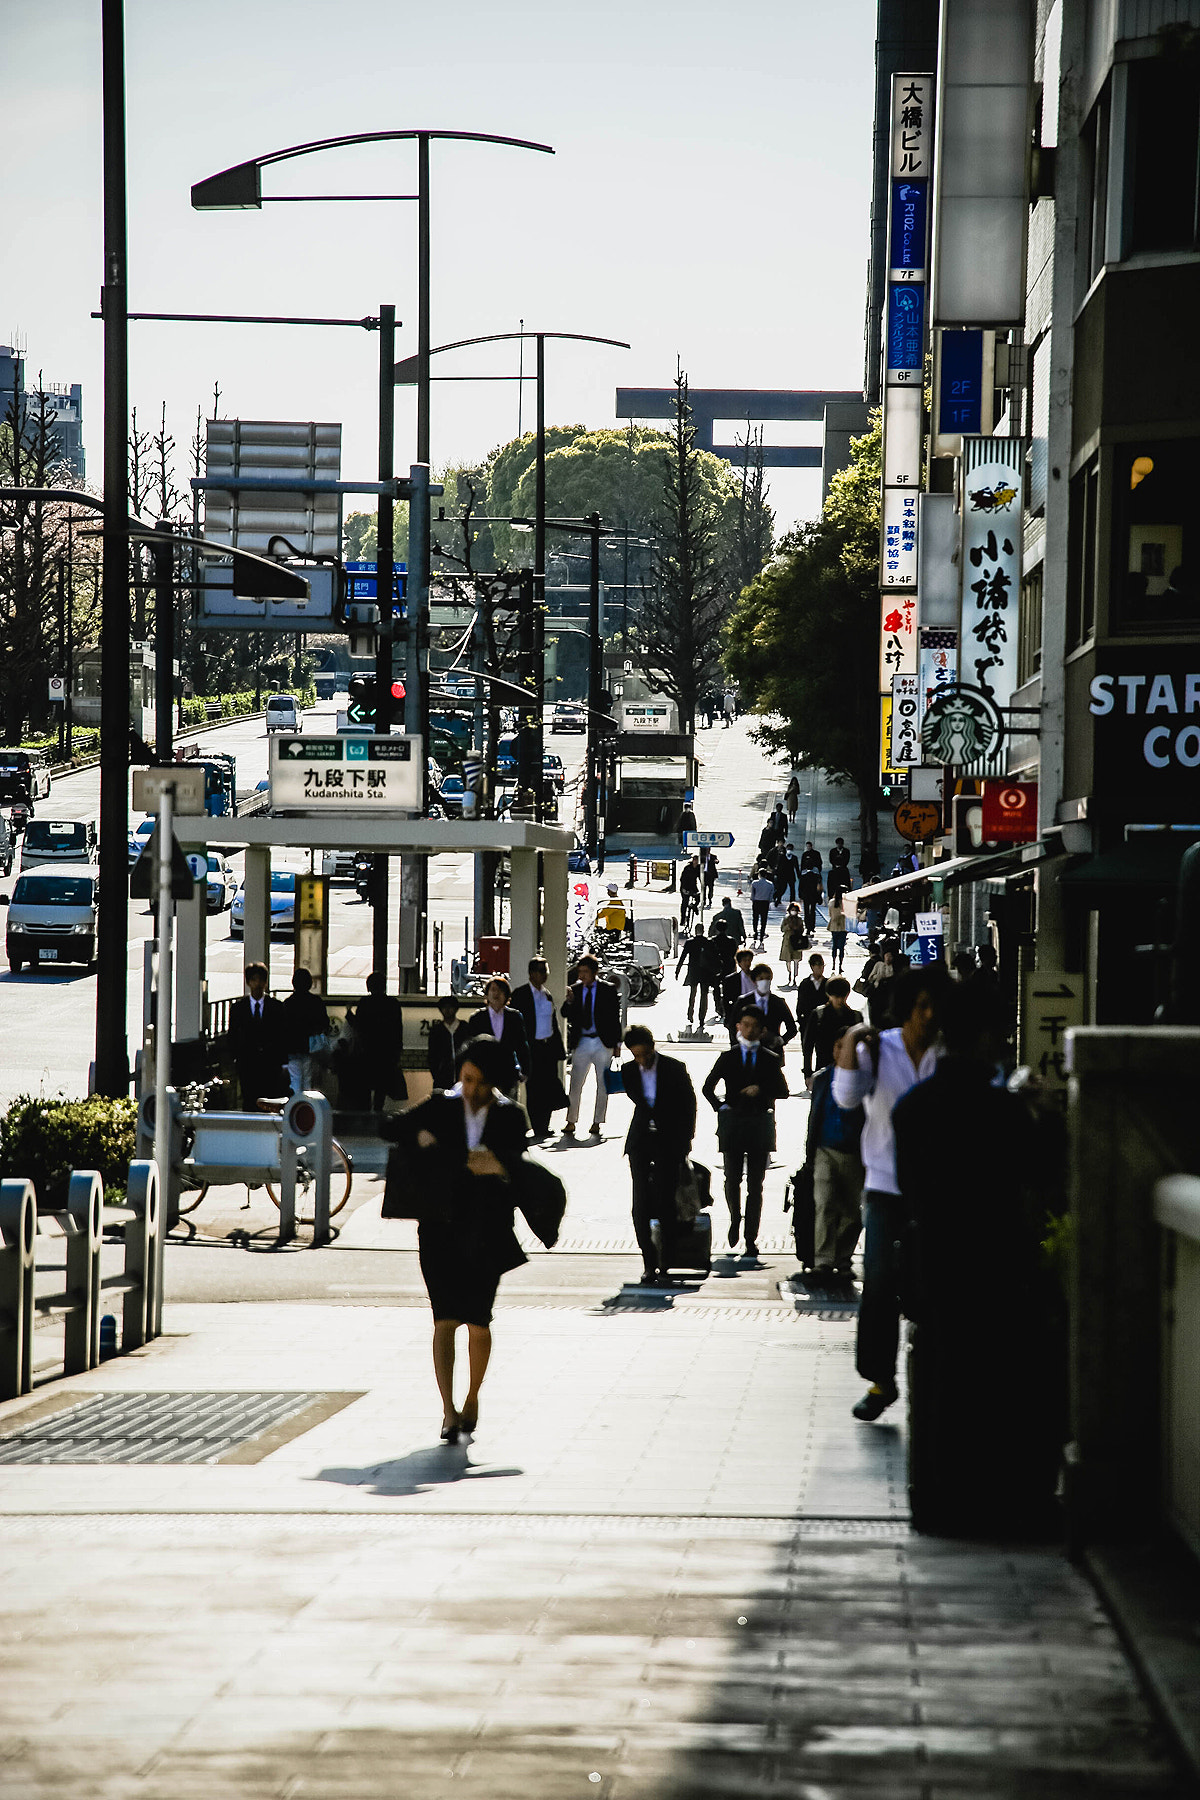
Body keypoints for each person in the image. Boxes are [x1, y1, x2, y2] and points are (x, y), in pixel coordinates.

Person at [892, 983, 1059, 1531]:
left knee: (939, 1378)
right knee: (992, 1381)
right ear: (984, 1039)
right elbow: (1044, 1176)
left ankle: (936, 1499)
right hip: (995, 1264)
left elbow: (909, 1189)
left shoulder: (913, 1109)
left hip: (934, 1260)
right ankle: (992, 1496)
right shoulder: (1002, 1112)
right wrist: (1041, 1114)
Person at [388, 1035, 531, 1444]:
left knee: (479, 1320)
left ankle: (472, 1397)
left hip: (488, 1231)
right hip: (440, 1228)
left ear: (496, 1083)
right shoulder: (441, 1107)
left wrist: (478, 1160)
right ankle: (448, 1409)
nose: (471, 1090)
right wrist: (421, 1139)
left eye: (481, 1083)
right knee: (444, 1319)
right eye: (466, 1080)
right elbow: (390, 1127)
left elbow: (511, 1163)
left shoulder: (510, 1115)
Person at [833, 966, 947, 1422]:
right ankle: (881, 1380)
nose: (931, 1014)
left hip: (940, 1189)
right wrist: (856, 1035)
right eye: (923, 1006)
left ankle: (938, 1375)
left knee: (935, 1284)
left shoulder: (950, 1053)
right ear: (907, 1010)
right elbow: (844, 1097)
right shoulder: (881, 1049)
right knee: (878, 1282)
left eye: (937, 1006)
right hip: (884, 1185)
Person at [702, 1002, 788, 1259]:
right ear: (738, 1027)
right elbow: (707, 1087)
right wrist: (721, 1107)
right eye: (745, 1025)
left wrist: (761, 1089)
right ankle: (734, 1218)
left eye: (754, 1027)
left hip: (760, 1122)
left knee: (756, 1184)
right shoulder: (728, 1057)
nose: (749, 1030)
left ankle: (751, 1236)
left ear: (762, 1030)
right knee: (732, 1179)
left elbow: (783, 1091)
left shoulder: (769, 1059)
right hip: (734, 1123)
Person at [621, 1024, 697, 1285]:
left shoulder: (674, 1068)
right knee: (640, 1204)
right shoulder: (629, 1070)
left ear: (653, 1047)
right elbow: (640, 1103)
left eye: (644, 1054)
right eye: (636, 1055)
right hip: (641, 1141)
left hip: (669, 1141)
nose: (641, 1060)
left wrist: (685, 1141)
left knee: (666, 1202)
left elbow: (689, 1105)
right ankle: (648, 1262)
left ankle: (666, 1262)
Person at [803, 1056, 865, 1296]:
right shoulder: (823, 1078)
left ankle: (843, 1257)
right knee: (825, 1204)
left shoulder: (864, 1077)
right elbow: (814, 1115)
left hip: (855, 1150)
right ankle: (824, 1261)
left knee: (852, 1211)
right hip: (825, 1149)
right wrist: (810, 1152)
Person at [560, 955, 622, 1138]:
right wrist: (569, 1000)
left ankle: (597, 1122)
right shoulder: (576, 990)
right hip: (583, 1041)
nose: (582, 975)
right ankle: (571, 1120)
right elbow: (565, 1013)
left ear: (595, 972)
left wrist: (618, 1044)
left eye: (585, 972)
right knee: (576, 1082)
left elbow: (614, 1018)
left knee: (602, 1083)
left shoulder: (607, 990)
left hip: (603, 1042)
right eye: (580, 972)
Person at [511, 958, 567, 1139]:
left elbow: (553, 1022)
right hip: (531, 1047)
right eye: (541, 971)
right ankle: (536, 1126)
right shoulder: (520, 994)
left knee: (549, 1085)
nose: (545, 975)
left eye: (546, 970)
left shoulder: (547, 995)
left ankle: (545, 1125)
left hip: (547, 1047)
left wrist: (559, 1048)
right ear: (532, 973)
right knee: (534, 1088)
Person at [345, 971, 408, 1111]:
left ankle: (366, 1112)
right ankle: (378, 1110)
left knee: (366, 1083)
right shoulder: (393, 1003)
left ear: (369, 987)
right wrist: (398, 1049)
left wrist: (349, 1013)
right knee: (382, 1084)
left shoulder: (365, 1003)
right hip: (387, 1051)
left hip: (368, 1051)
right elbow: (398, 1028)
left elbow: (359, 1025)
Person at [228, 962, 287, 1109]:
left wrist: (281, 1060)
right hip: (247, 1062)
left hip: (270, 1063)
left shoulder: (276, 1006)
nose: (258, 984)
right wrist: (235, 1057)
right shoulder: (238, 1008)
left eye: (261, 980)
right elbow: (233, 1034)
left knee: (269, 1099)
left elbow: (282, 1035)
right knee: (249, 1099)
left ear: (266, 982)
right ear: (248, 982)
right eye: (254, 980)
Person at [465, 976, 531, 1096]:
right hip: (484, 1071)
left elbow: (522, 1045)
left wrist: (525, 1070)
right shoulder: (477, 1018)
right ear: (487, 994)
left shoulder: (514, 1017)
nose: (496, 994)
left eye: (500, 991)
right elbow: (471, 1046)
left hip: (508, 1070)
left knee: (508, 1108)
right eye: (493, 990)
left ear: (506, 995)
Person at [802, 976, 861, 1087]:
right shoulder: (819, 1015)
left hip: (848, 1070)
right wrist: (808, 1073)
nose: (840, 1000)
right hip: (823, 1069)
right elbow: (808, 1046)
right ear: (829, 995)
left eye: (843, 996)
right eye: (836, 996)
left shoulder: (855, 1017)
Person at [280, 967, 330, 1099]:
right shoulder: (316, 1002)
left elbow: (283, 1028)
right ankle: (308, 1108)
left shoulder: (288, 1003)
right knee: (308, 1081)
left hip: (293, 1048)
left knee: (295, 1081)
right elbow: (324, 1024)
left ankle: (297, 1107)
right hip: (312, 1048)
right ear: (309, 983)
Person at [748, 961, 798, 1058]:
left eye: (767, 979)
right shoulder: (745, 1002)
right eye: (761, 979)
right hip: (749, 1052)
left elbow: (792, 1028)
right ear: (754, 981)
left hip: (773, 1052)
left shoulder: (778, 1002)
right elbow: (733, 1025)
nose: (765, 982)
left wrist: (781, 1040)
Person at [428, 994, 472, 1092]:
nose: (447, 1010)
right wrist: (436, 1073)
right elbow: (432, 1055)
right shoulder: (436, 1030)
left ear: (456, 1009)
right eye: (444, 1007)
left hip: (463, 1076)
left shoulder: (465, 1028)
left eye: (450, 1007)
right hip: (442, 1078)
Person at [676, 925, 716, 1029]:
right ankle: (702, 1017)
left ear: (695, 931)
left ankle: (690, 1014)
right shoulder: (708, 942)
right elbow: (713, 958)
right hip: (705, 972)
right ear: (704, 930)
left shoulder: (690, 942)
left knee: (692, 993)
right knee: (704, 995)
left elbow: (683, 957)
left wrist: (678, 970)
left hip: (693, 971)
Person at [721, 945, 758, 1037]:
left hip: (755, 1013)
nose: (747, 963)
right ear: (739, 963)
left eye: (749, 960)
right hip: (737, 1014)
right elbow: (725, 1000)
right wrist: (729, 1017)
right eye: (744, 960)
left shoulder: (757, 977)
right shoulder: (731, 979)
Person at [794, 953, 828, 1034]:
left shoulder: (827, 983)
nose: (821, 968)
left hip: (824, 1024)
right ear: (812, 967)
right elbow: (800, 1003)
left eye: (822, 965)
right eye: (818, 965)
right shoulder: (805, 983)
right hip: (807, 1023)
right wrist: (801, 1020)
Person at [779, 903, 807, 984]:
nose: (793, 912)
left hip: (797, 940)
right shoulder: (786, 919)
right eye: (792, 910)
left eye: (795, 910)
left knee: (796, 959)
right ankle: (789, 973)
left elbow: (802, 929)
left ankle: (795, 975)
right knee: (788, 959)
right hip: (787, 940)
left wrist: (797, 929)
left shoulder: (799, 919)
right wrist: (788, 926)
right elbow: (782, 929)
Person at [797, 857, 823, 936]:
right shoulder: (817, 876)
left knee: (806, 911)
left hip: (806, 895)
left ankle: (807, 926)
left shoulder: (803, 876)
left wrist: (800, 895)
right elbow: (819, 888)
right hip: (814, 895)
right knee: (812, 911)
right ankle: (812, 926)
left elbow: (800, 887)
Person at [749, 866, 774, 949]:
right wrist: (769, 901)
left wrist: (752, 899)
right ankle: (762, 932)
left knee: (755, 917)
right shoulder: (770, 884)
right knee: (764, 919)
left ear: (759, 874)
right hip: (765, 902)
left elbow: (752, 894)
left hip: (756, 902)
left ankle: (755, 931)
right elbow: (771, 895)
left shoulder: (755, 883)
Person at [679, 855, 702, 931]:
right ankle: (683, 919)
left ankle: (694, 906)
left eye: (697, 861)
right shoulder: (687, 868)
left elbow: (701, 877)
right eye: (694, 860)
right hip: (685, 886)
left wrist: (702, 886)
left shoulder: (699, 868)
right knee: (685, 902)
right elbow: (682, 879)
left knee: (698, 897)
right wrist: (684, 890)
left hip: (693, 886)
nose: (695, 862)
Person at [827, 895, 848, 973]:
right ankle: (840, 965)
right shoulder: (845, 903)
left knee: (834, 946)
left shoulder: (831, 902)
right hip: (843, 926)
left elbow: (830, 914)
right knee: (841, 947)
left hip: (834, 926)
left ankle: (833, 964)